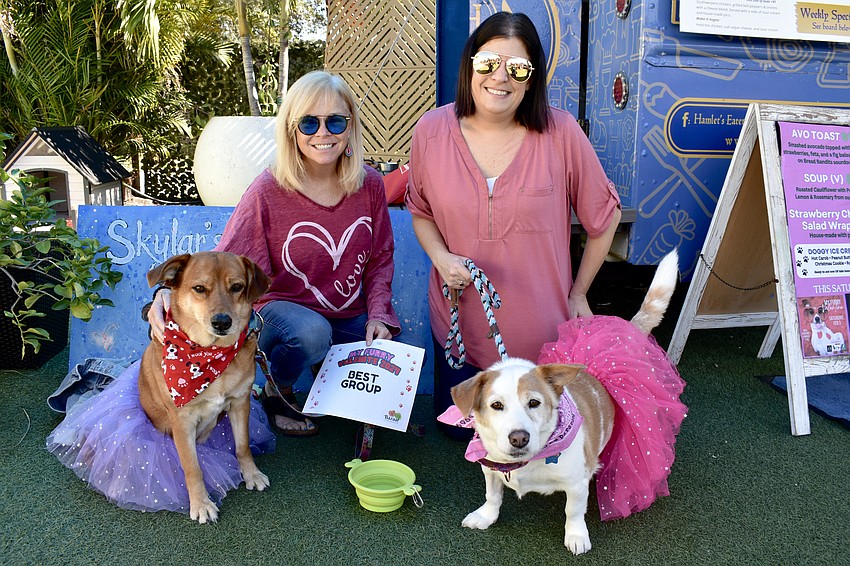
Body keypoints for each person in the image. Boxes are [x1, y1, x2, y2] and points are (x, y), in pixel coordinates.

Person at [405, 12, 622, 438]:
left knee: (538, 448)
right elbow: (421, 211)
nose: (499, 77)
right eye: (488, 62)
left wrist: (579, 293)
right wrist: (441, 256)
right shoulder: (430, 131)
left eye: (518, 68)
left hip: (541, 344)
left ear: (531, 79)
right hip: (459, 334)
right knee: (459, 437)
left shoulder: (561, 133)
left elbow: (605, 215)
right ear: (470, 63)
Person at [150, 70, 400, 436]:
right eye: (309, 123)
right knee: (312, 333)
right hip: (284, 318)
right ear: (290, 130)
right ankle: (275, 390)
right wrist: (164, 293)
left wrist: (378, 315)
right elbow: (220, 264)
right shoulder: (268, 190)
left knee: (393, 360)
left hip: (348, 313)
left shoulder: (371, 184)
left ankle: (324, 372)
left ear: (350, 127)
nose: (323, 133)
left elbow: (380, 259)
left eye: (335, 121)